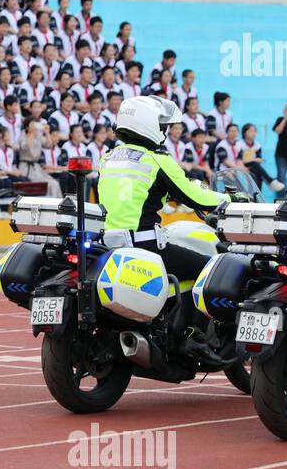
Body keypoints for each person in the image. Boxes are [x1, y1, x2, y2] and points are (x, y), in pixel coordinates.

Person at [97, 95, 226, 352]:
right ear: (149, 125)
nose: (165, 132)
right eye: (162, 125)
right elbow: (195, 196)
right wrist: (230, 199)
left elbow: (138, 194)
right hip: (145, 245)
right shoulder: (156, 160)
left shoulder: (108, 158)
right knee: (210, 269)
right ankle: (191, 335)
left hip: (108, 245)